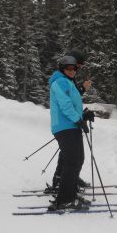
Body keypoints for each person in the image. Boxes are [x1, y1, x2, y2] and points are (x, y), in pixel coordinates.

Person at [48, 55, 94, 210]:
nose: (73, 70)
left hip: (71, 125)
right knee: (72, 161)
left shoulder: (67, 82)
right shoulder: (59, 82)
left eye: (74, 68)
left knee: (77, 160)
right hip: (65, 126)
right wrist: (78, 119)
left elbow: (73, 104)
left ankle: (71, 194)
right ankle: (64, 200)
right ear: (62, 68)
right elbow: (65, 105)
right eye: (69, 68)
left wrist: (83, 115)